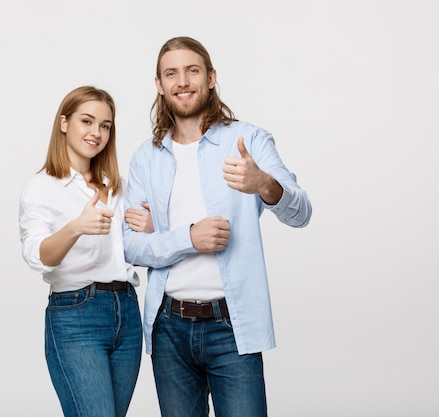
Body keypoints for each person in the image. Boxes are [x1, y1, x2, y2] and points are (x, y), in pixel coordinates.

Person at [123, 37, 312, 417]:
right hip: (169, 328)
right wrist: (188, 238)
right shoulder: (146, 157)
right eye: (171, 73)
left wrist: (264, 185)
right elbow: (129, 247)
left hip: (232, 324)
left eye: (192, 70)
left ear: (210, 77)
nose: (182, 81)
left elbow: (301, 212)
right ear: (159, 85)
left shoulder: (248, 140)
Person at [18, 86, 152, 417]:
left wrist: (149, 228)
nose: (96, 133)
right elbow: (38, 255)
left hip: (126, 312)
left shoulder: (116, 185)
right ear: (64, 123)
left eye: (105, 126)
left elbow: (126, 251)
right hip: (77, 314)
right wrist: (77, 226)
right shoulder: (42, 187)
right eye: (87, 121)